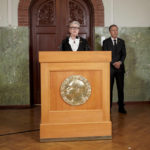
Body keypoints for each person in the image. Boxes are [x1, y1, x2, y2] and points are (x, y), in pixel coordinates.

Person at [102, 24, 127, 114]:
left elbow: (124, 54)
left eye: (116, 30)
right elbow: (105, 54)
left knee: (120, 89)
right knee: (109, 89)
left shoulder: (122, 41)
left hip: (120, 68)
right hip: (110, 69)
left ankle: (121, 107)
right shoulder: (105, 42)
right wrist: (113, 63)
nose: (115, 32)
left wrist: (119, 62)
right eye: (113, 30)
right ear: (110, 32)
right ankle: (108, 108)